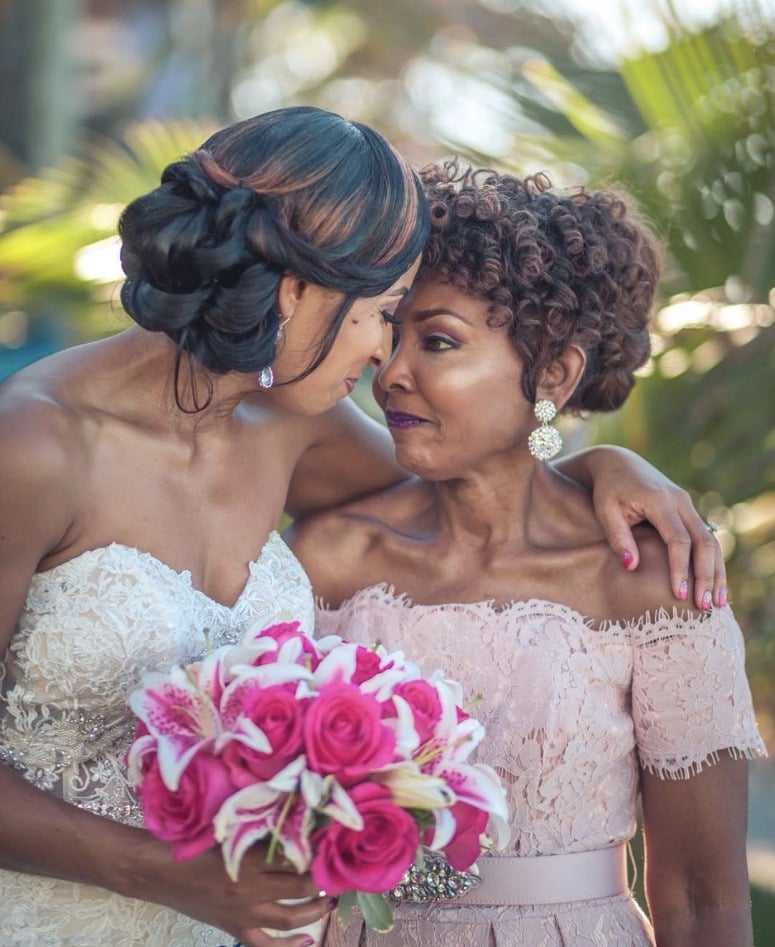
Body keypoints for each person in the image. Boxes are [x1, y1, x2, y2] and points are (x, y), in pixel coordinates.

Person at [0, 106, 725, 947]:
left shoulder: (291, 423)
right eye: (382, 311)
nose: (385, 355)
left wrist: (602, 467)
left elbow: (477, 479)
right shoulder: (35, 445)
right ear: (294, 290)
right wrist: (161, 871)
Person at [288, 164, 766, 947]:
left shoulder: (654, 582)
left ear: (553, 373)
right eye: (391, 333)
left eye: (437, 341)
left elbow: (703, 898)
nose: (392, 371)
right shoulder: (330, 558)